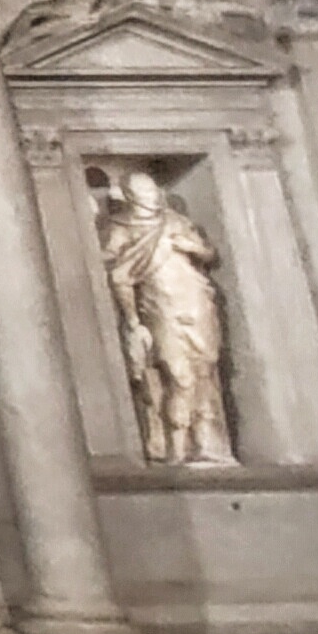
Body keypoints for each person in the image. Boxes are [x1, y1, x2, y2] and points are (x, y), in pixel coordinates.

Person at [97, 171, 231, 466]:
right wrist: (133, 321)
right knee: (177, 375)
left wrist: (192, 247)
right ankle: (175, 447)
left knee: (204, 371)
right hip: (159, 308)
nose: (151, 197)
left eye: (153, 191)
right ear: (131, 197)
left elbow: (207, 254)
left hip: (196, 302)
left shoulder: (176, 222)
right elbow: (118, 276)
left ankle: (207, 442)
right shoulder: (121, 229)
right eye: (143, 193)